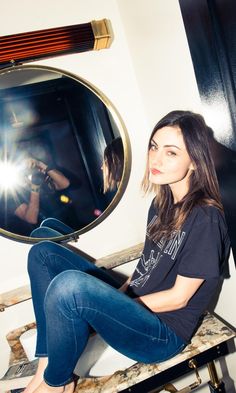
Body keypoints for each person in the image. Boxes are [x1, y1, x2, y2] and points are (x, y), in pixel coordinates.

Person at [24, 111, 230, 393]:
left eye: (171, 153)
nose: (155, 159)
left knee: (68, 286)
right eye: (154, 147)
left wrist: (110, 305)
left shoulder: (205, 217)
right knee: (43, 250)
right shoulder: (160, 205)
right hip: (136, 305)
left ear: (194, 161)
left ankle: (56, 384)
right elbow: (145, 268)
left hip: (161, 333)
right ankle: (44, 368)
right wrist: (112, 300)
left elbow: (179, 297)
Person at [30, 137, 124, 238]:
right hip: (59, 228)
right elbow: (31, 218)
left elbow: (66, 183)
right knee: (45, 227)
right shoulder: (16, 194)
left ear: (117, 163)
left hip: (71, 221)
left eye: (105, 161)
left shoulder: (51, 174)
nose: (101, 167)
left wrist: (40, 164)